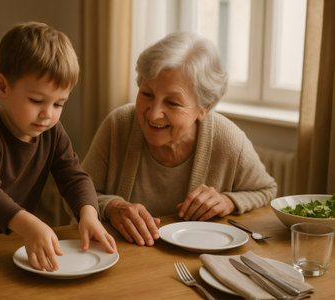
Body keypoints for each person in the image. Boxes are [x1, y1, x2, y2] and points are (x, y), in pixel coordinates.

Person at [0, 21, 116, 271]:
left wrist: (89, 214)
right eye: (37, 100)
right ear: (2, 86)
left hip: (3, 241)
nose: (48, 115)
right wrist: (30, 224)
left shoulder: (53, 133)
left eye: (59, 104)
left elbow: (74, 177)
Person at [82, 32, 277, 247]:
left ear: (204, 108)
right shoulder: (118, 124)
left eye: (172, 103)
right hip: (120, 257)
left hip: (196, 264)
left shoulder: (227, 139)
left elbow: (266, 190)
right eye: (147, 94)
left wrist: (229, 201)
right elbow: (77, 194)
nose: (154, 114)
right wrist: (112, 207)